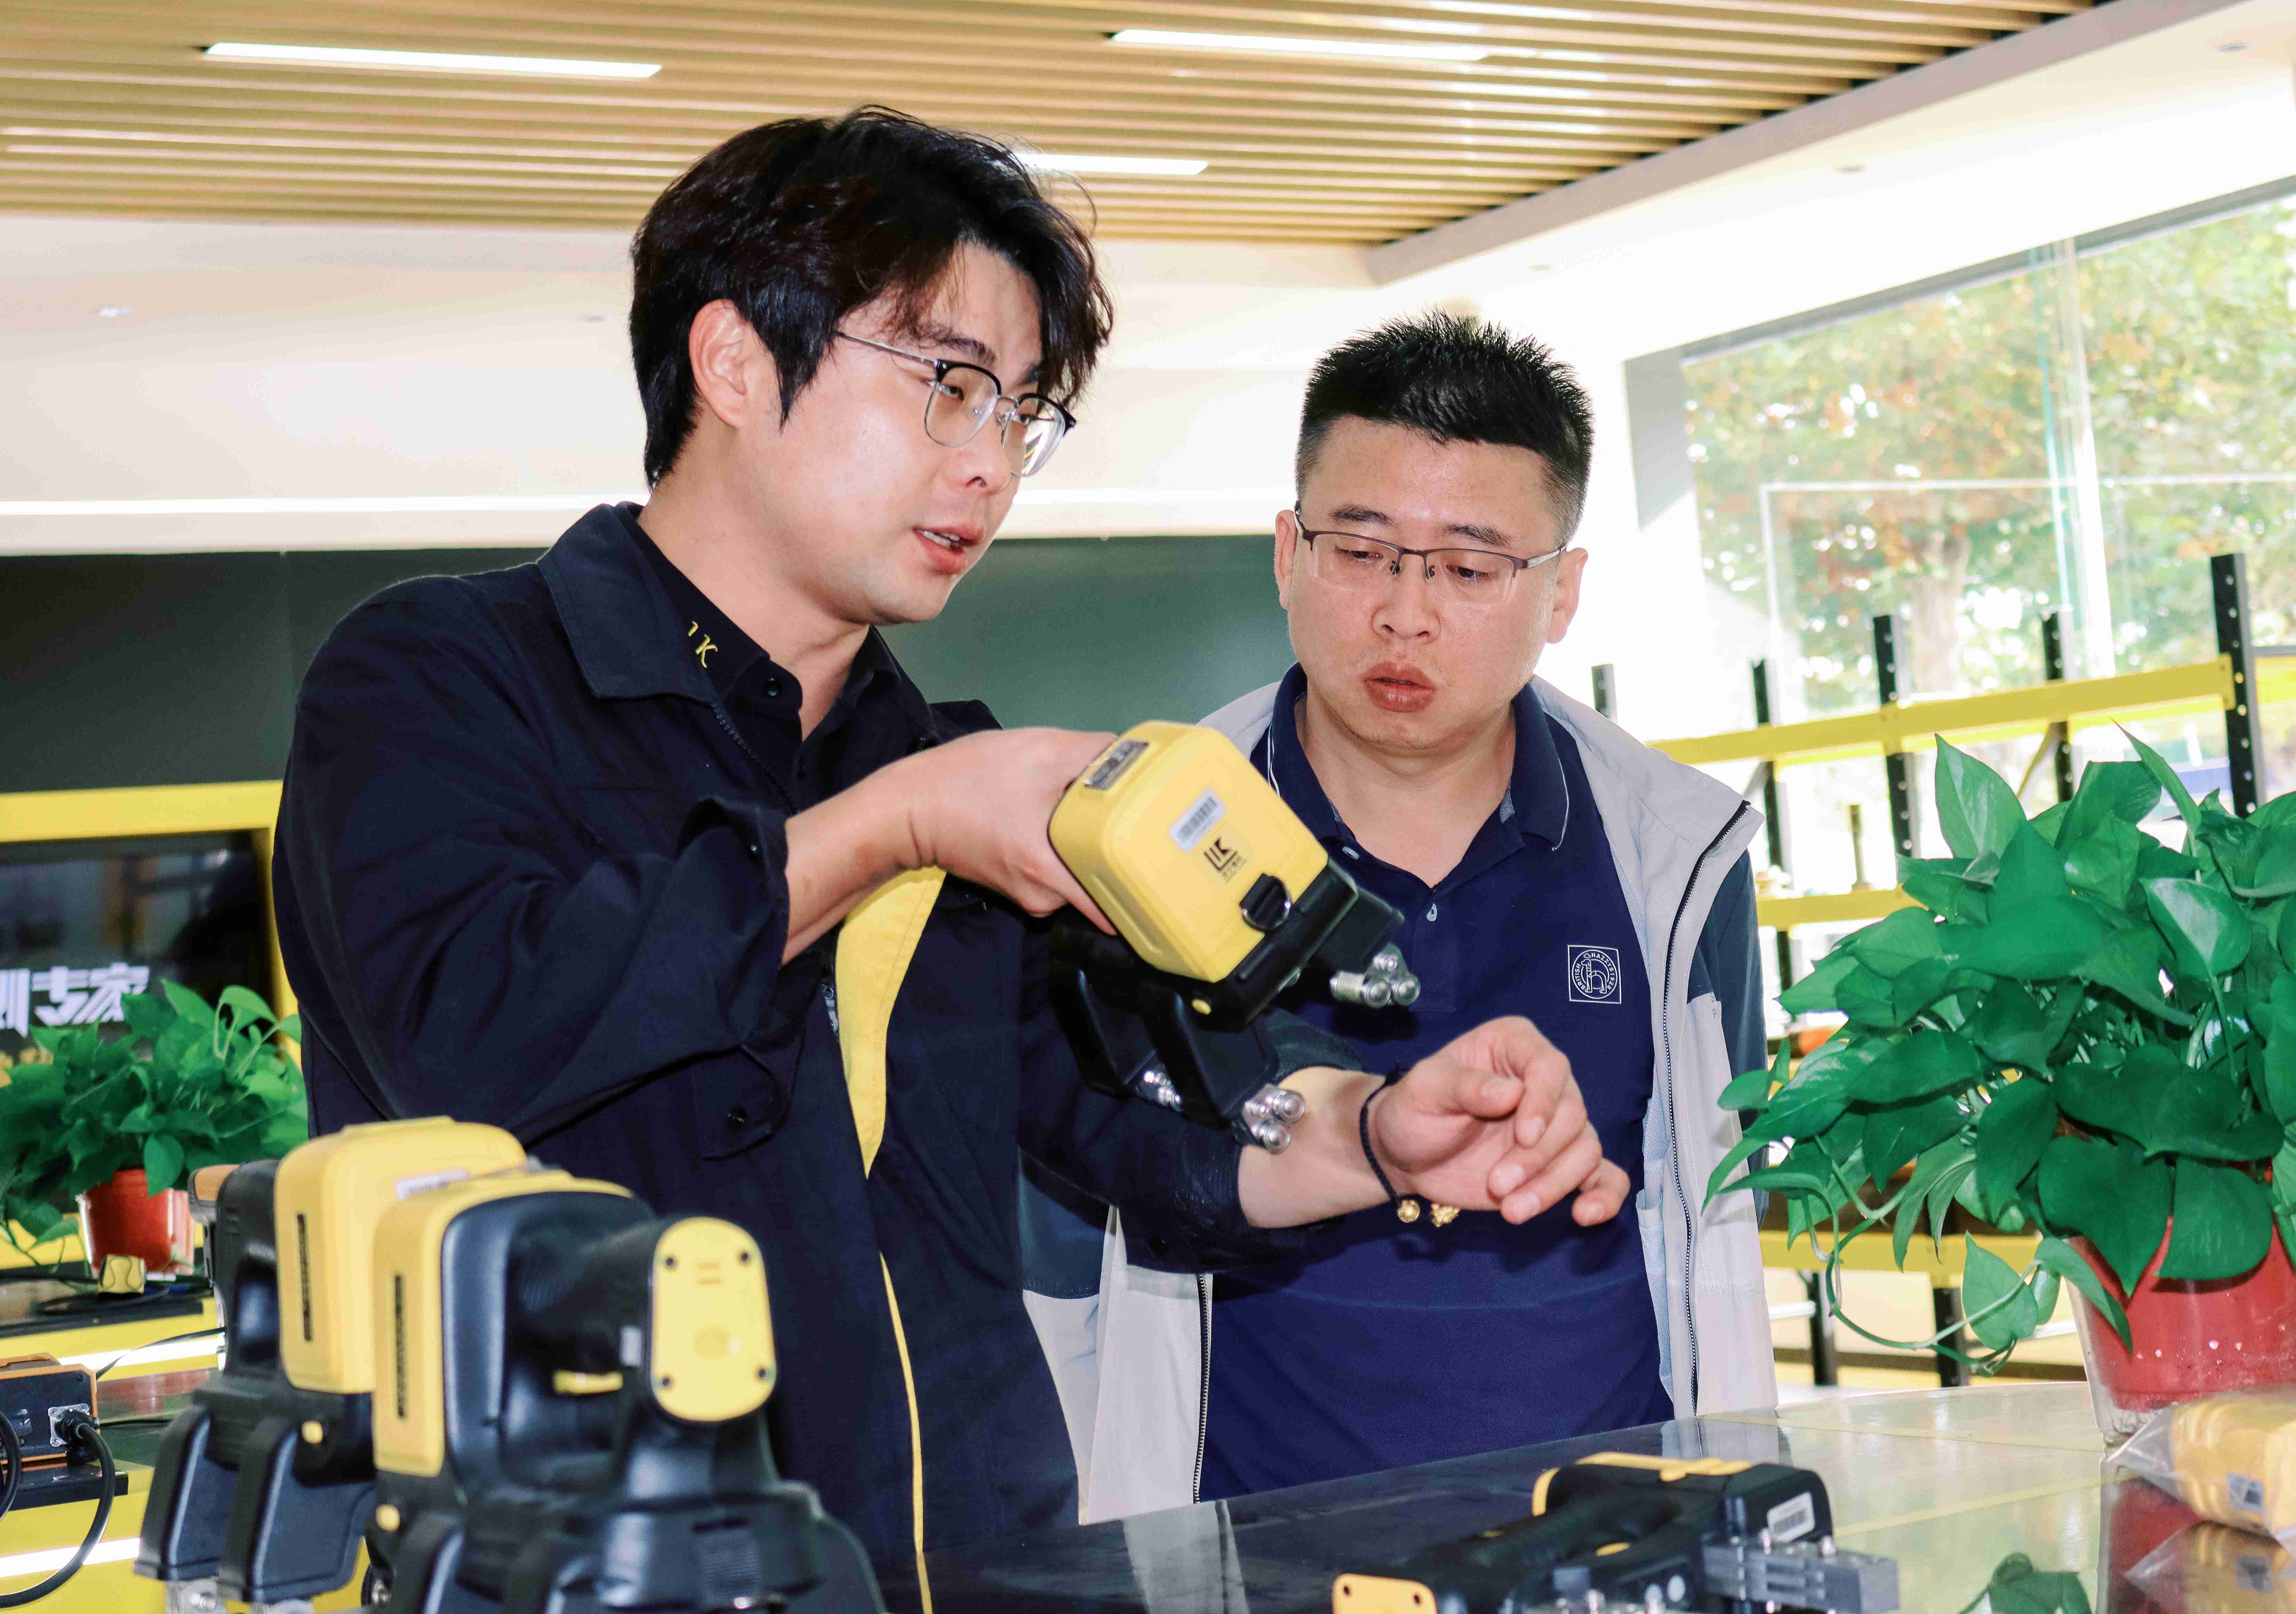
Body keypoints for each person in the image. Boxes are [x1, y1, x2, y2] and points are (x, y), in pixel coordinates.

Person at [269, 113, 1627, 1577]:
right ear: (735, 363)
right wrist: (888, 830)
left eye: (1022, 412)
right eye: (950, 386)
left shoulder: (936, 764)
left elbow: (1128, 1107)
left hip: (984, 1567)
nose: (992, 465)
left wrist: (1371, 1129)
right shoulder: (443, 677)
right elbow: (466, 1035)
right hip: (599, 1576)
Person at [1045, 313, 1775, 1515]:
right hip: (1255, 1563)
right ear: (1287, 554)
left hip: (1604, 1552)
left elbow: (1715, 1210)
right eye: (1362, 550)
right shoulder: (1128, 845)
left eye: (1470, 569)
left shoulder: (1678, 854)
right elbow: (1062, 1256)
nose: (1405, 614)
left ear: (1561, 592)